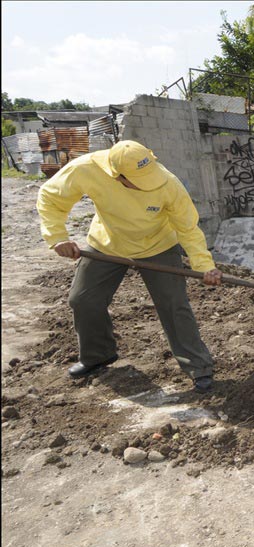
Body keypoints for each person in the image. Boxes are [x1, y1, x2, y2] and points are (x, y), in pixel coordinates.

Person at [36, 140, 222, 393]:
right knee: (83, 300)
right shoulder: (85, 169)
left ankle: (198, 367)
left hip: (158, 245)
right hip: (107, 243)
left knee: (174, 305)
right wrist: (57, 237)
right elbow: (50, 197)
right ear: (117, 176)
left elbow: (188, 228)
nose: (147, 184)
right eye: (138, 180)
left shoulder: (168, 183)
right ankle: (98, 355)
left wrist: (204, 266)